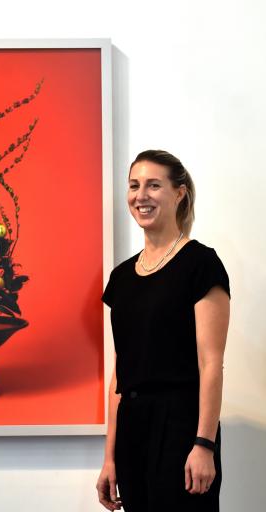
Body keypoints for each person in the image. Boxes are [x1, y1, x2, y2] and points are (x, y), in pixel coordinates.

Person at [96, 150, 230, 511]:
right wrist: (110, 457)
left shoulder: (201, 264)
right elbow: (119, 376)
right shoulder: (121, 278)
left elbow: (211, 363)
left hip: (182, 427)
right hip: (133, 430)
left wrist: (204, 444)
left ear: (179, 193)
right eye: (134, 186)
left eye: (154, 185)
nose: (141, 195)